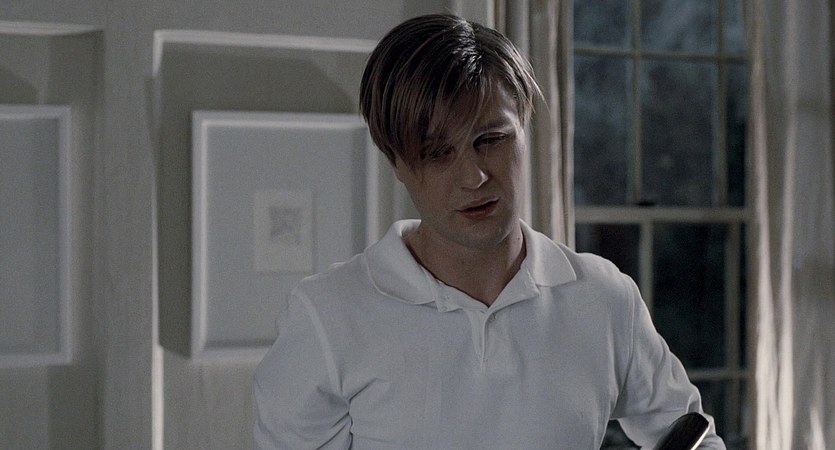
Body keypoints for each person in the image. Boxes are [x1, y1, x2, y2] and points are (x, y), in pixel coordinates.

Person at [253, 13, 725, 449]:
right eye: (438, 153)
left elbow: (695, 436)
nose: (474, 176)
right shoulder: (328, 315)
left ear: (525, 125)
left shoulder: (604, 299)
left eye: (491, 140)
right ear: (397, 163)